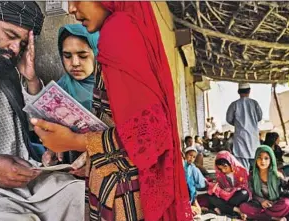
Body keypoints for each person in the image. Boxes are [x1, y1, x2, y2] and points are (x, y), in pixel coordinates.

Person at [30, 2, 192, 221]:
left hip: (124, 197)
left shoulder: (118, 31)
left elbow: (149, 134)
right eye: (67, 56)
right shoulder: (128, 28)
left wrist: (74, 141)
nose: (70, 9)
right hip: (118, 187)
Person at [0, 2, 85, 221]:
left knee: (87, 196)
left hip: (30, 180)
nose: (14, 48)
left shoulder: (7, 71)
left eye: (22, 43)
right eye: (9, 34)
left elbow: (37, 126)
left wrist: (31, 79)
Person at [42, 24, 100, 166]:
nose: (74, 63)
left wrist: (95, 152)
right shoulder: (61, 89)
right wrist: (51, 150)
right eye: (67, 56)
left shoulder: (114, 88)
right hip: (72, 169)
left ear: (98, 53)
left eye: (83, 56)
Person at [239, 145, 289, 221]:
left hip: (275, 204)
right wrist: (262, 201)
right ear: (256, 159)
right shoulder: (252, 176)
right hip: (259, 204)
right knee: (243, 207)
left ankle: (261, 216)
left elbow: (286, 192)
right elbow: (251, 192)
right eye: (259, 157)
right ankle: (274, 218)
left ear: (271, 160)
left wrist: (274, 202)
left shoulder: (277, 175)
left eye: (266, 158)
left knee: (287, 204)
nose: (262, 161)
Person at [226, 83, 263, 170]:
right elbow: (260, 117)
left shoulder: (234, 104)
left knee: (242, 166)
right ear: (249, 91)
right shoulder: (254, 103)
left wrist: (238, 124)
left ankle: (245, 182)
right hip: (253, 137)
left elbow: (229, 119)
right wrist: (251, 123)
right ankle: (255, 182)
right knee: (256, 163)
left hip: (240, 137)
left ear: (238, 92)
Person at [206, 151, 250, 219]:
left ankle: (223, 208)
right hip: (225, 197)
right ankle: (236, 210)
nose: (223, 171)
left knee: (244, 193)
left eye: (225, 167)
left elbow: (245, 186)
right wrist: (219, 189)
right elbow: (220, 188)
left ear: (231, 163)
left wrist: (233, 190)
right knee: (210, 196)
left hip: (235, 196)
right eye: (220, 169)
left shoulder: (241, 171)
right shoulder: (220, 174)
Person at [183, 147, 206, 217]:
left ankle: (192, 206)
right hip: (183, 194)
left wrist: (193, 185)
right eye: (190, 155)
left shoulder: (193, 168)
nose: (191, 158)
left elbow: (201, 184)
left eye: (194, 157)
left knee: (198, 212)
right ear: (185, 155)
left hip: (191, 195)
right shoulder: (181, 165)